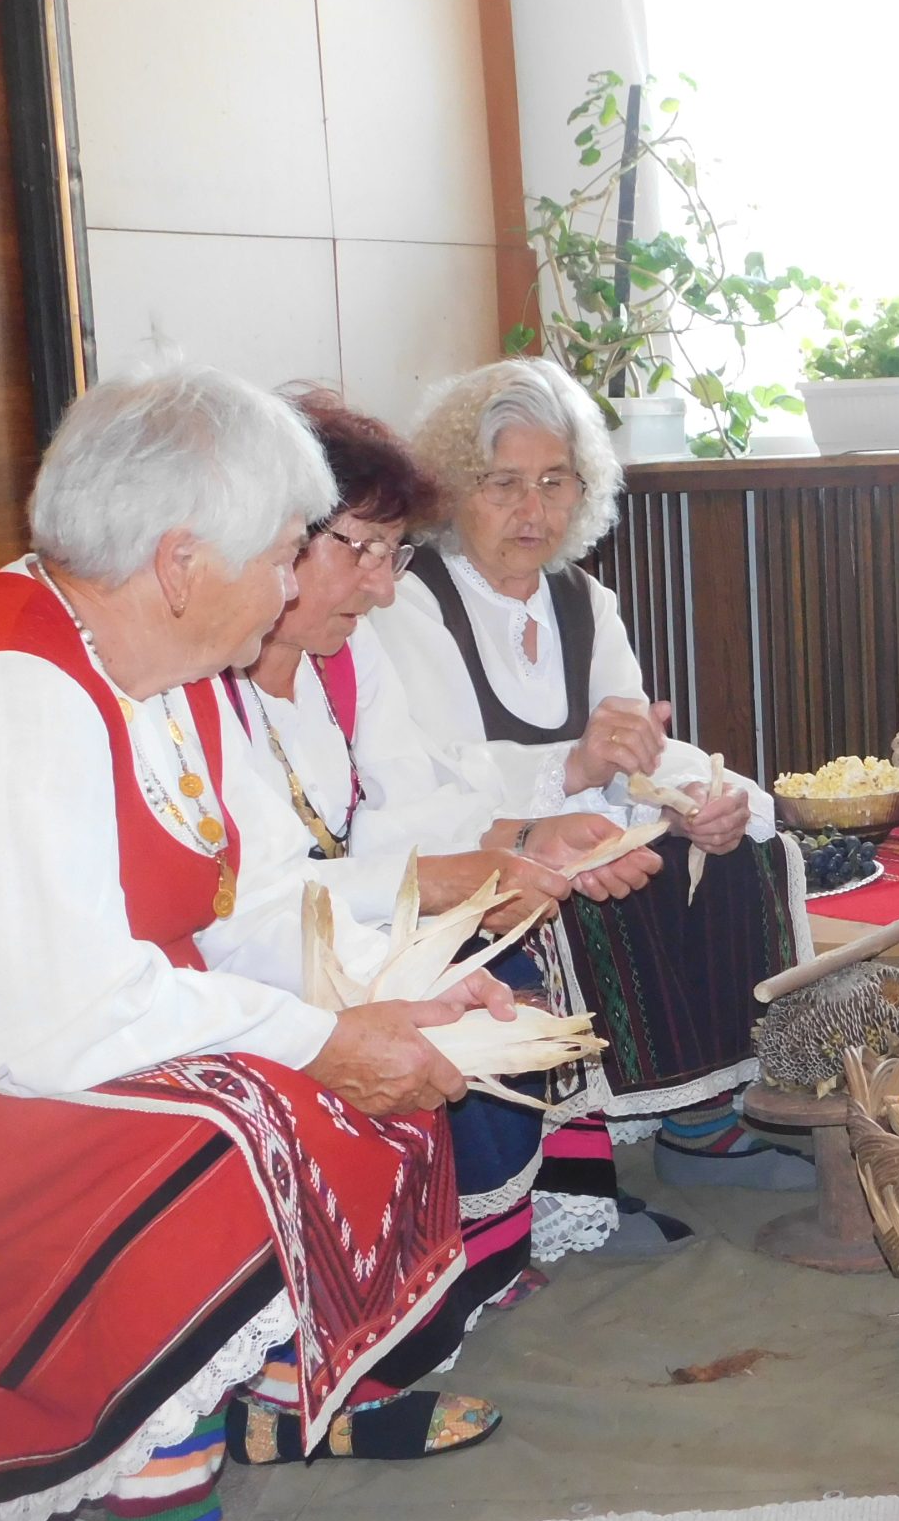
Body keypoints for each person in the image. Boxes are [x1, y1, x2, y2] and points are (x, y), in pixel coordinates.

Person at [0, 368, 512, 1521]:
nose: (296, 585)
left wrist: (390, 1001)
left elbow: (248, 912)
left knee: (337, 1069)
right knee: (230, 1132)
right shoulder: (11, 690)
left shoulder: (158, 675)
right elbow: (59, 1021)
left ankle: (258, 1389)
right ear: (183, 560)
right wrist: (324, 1041)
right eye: (284, 554)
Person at [233, 391, 685, 1286]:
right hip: (263, 947)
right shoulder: (206, 682)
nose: (384, 584)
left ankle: (499, 1233)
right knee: (485, 963)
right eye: (357, 549)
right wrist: (473, 868)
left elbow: (416, 805)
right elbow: (250, 899)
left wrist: (526, 848)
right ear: (272, 543)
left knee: (501, 946)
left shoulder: (348, 656)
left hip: (344, 913)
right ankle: (443, 1252)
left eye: (390, 552)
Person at [376, 357, 816, 1198]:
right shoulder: (412, 601)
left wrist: (697, 801)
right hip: (470, 846)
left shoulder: (585, 601)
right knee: (588, 879)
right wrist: (576, 766)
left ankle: (701, 1117)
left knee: (736, 848)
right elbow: (440, 777)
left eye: (554, 481)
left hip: (572, 826)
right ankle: (570, 1183)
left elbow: (635, 747)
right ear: (452, 489)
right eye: (502, 484)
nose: (531, 509)